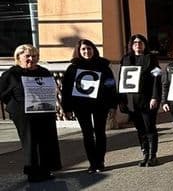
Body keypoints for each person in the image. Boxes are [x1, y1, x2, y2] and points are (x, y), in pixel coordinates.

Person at [0, 44, 62, 182]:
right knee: (30, 141)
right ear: (18, 57)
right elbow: (2, 93)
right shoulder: (11, 74)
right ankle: (33, 172)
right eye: (27, 56)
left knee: (46, 140)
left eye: (34, 56)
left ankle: (46, 170)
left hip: (44, 111)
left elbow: (51, 89)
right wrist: (14, 105)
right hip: (24, 115)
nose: (31, 59)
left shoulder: (44, 72)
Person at [61, 39, 117, 173]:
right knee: (87, 134)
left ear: (94, 50)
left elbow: (111, 85)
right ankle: (92, 163)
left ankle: (100, 161)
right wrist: (66, 108)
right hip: (81, 106)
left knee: (100, 132)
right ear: (79, 51)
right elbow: (66, 89)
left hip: (100, 104)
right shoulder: (73, 68)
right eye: (83, 49)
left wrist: (112, 104)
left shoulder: (103, 66)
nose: (87, 51)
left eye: (89, 48)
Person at [118, 34, 161, 167]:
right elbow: (121, 79)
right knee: (140, 129)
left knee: (149, 127)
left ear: (145, 44)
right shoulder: (126, 59)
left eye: (140, 42)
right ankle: (145, 154)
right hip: (132, 101)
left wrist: (155, 97)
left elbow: (157, 78)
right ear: (131, 45)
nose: (138, 44)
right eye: (135, 42)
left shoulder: (151, 58)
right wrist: (121, 99)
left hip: (147, 100)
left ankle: (153, 156)